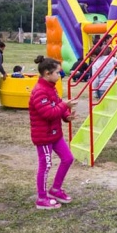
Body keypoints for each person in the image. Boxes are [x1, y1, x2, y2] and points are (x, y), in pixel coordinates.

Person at [29, 56, 77, 209]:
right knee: (46, 165)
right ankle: (41, 198)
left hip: (55, 134)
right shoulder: (39, 91)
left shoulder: (51, 87)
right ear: (47, 73)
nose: (60, 75)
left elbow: (57, 106)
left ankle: (55, 189)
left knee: (68, 158)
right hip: (44, 136)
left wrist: (66, 117)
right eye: (58, 72)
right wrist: (65, 105)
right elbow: (48, 113)